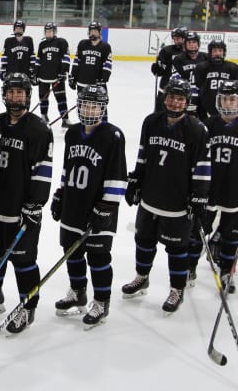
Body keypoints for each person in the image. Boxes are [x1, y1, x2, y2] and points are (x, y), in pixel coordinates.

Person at [122, 78, 210, 315]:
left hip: (177, 202)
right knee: (143, 240)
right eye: (171, 97)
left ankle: (177, 289)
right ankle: (142, 278)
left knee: (177, 249)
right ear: (165, 97)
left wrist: (199, 199)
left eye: (180, 98)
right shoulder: (151, 122)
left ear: (186, 102)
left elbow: (201, 167)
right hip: (150, 197)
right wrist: (136, 180)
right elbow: (143, 155)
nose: (175, 102)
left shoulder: (197, 130)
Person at [51, 84, 127, 329]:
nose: (89, 109)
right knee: (71, 250)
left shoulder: (113, 135)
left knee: (98, 257)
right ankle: (78, 292)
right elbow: (67, 167)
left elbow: (118, 175)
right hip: (74, 204)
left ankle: (101, 302)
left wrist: (105, 208)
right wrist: (61, 194)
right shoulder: (73, 133)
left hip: (98, 209)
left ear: (103, 108)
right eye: (85, 104)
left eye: (94, 105)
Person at [0, 73, 52, 334]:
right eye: (11, 92)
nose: (15, 97)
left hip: (22, 209)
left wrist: (35, 204)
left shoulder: (38, 129)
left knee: (24, 261)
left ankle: (28, 306)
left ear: (27, 95)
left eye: (19, 93)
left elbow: (43, 171)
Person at [204, 81, 238, 294]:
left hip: (234, 189)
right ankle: (189, 266)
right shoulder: (206, 125)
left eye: (233, 98)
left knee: (232, 233)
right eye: (224, 98)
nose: (228, 102)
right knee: (198, 229)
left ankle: (227, 270)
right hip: (209, 188)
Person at [69, 21, 112, 119]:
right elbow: (77, 61)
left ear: (99, 32)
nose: (93, 33)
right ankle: (84, 126)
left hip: (97, 84)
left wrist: (103, 80)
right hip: (82, 83)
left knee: (100, 107)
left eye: (95, 31)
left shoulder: (105, 47)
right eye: (91, 31)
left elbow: (107, 65)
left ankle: (103, 128)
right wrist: (73, 76)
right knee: (83, 108)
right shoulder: (82, 44)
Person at [35, 22, 73, 127]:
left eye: (50, 31)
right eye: (46, 31)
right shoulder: (42, 44)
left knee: (61, 98)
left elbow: (66, 58)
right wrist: (35, 73)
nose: (48, 33)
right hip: (43, 76)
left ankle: (65, 119)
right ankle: (43, 116)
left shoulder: (61, 42)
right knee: (43, 98)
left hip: (57, 77)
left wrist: (63, 72)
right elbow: (38, 60)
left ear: (54, 32)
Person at [192, 40, 238, 120]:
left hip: (227, 108)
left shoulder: (233, 68)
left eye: (220, 51)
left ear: (224, 52)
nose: (217, 54)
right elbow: (197, 87)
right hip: (205, 107)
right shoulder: (201, 67)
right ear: (210, 53)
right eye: (215, 51)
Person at [151, 26, 187, 113]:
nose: (176, 41)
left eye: (178, 38)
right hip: (165, 88)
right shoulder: (167, 51)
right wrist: (157, 68)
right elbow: (161, 71)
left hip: (184, 89)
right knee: (160, 114)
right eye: (174, 39)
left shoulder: (190, 53)